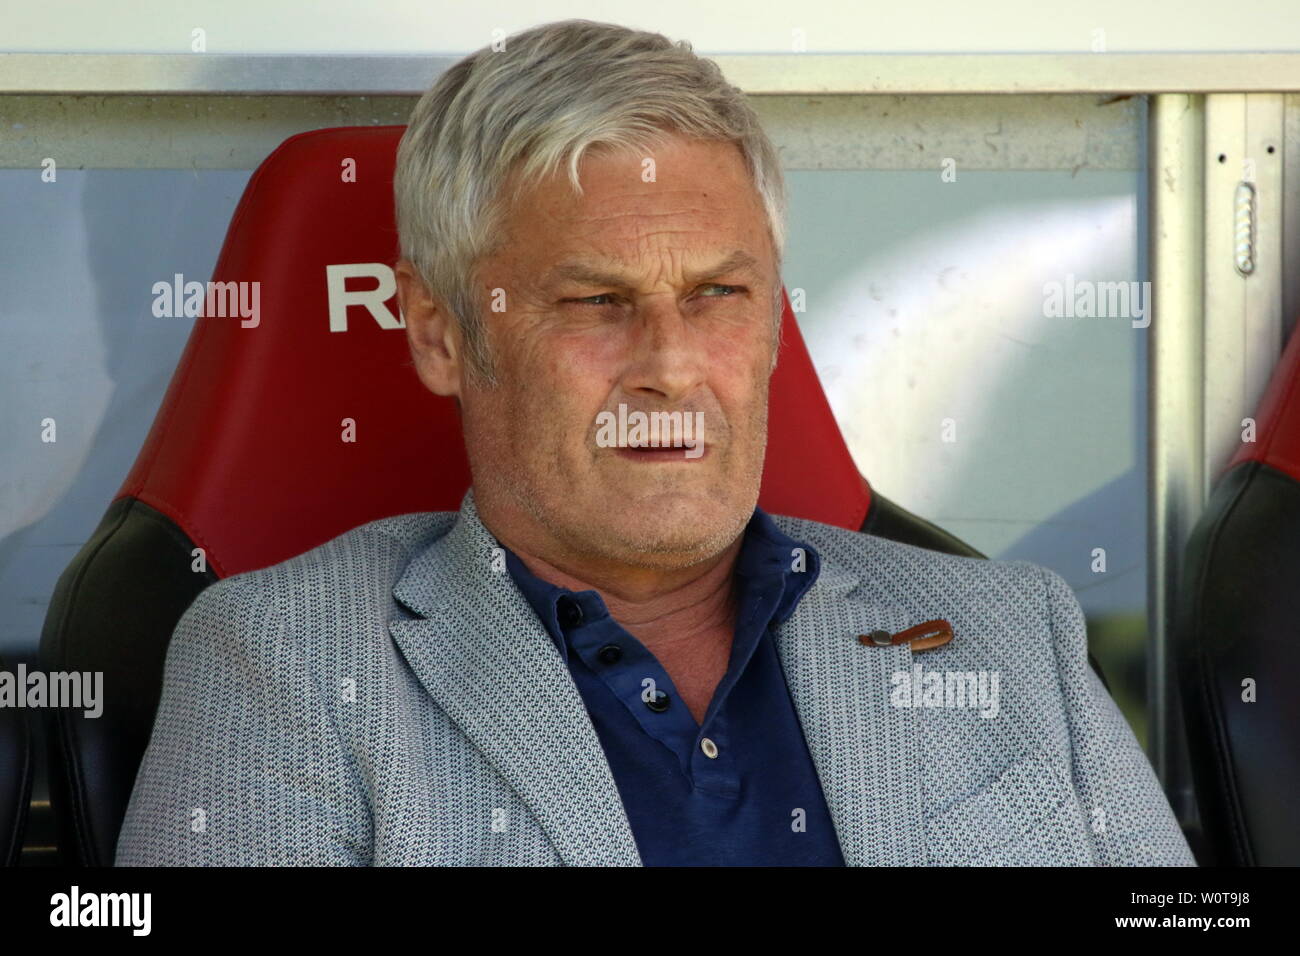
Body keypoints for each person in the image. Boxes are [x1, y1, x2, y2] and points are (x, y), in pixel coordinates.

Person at [116, 18, 1194, 866]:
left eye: (717, 292)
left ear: (773, 315)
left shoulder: (1009, 635)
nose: (671, 364)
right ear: (441, 331)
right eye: (596, 300)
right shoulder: (285, 664)